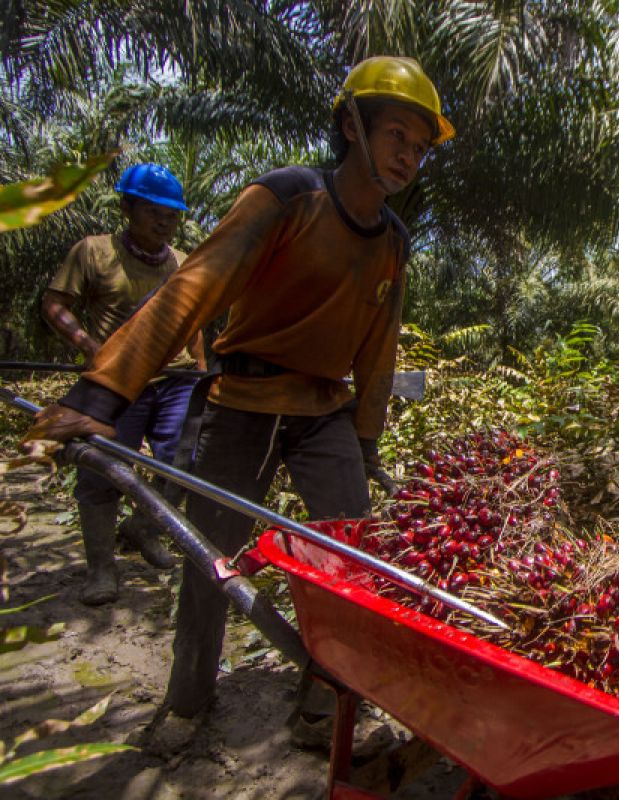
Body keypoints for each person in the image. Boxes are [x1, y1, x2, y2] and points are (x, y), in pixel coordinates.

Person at [24, 56, 453, 730]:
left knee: (351, 561)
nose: (409, 156)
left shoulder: (393, 243)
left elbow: (378, 350)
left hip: (323, 414)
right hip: (242, 403)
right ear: (351, 126)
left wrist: (366, 442)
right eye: (398, 135)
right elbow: (191, 291)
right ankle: (187, 703)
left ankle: (322, 702)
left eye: (421, 147)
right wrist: (101, 396)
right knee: (211, 560)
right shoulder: (286, 197)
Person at [41, 163, 206, 605]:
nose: (164, 223)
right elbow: (55, 304)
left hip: (177, 379)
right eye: (154, 212)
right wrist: (87, 345)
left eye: (172, 215)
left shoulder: (182, 263)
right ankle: (101, 569)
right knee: (102, 468)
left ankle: (145, 528)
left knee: (184, 463)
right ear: (128, 208)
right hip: (118, 380)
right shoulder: (94, 252)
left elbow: (194, 323)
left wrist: (204, 372)